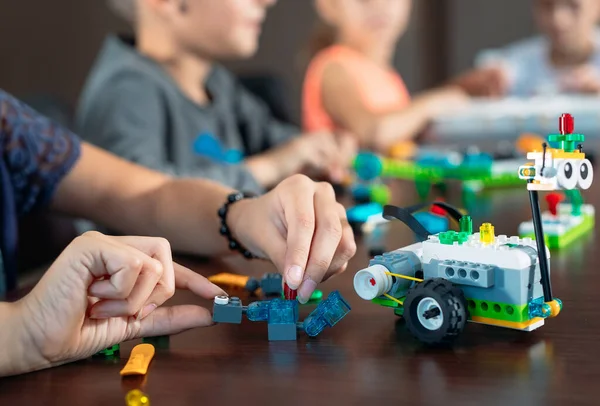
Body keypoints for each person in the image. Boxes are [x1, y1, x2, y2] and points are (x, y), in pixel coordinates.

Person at [0, 89, 356, 377]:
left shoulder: (9, 123)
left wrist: (245, 214)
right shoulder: (128, 89)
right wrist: (22, 332)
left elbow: (146, 196)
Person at [75, 0, 356, 194]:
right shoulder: (125, 91)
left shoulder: (216, 82)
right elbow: (141, 198)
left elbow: (276, 139)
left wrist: (320, 149)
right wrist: (271, 165)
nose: (266, 1)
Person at [302, 0, 501, 155]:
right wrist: (437, 101)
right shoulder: (333, 67)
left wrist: (460, 88)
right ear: (328, 5)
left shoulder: (384, 73)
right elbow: (374, 132)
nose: (378, 5)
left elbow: (399, 118)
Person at [475, 0, 600, 96]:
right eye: (547, 5)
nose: (558, 20)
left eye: (573, 6)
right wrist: (483, 83)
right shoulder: (518, 62)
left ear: (596, 6)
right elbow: (461, 91)